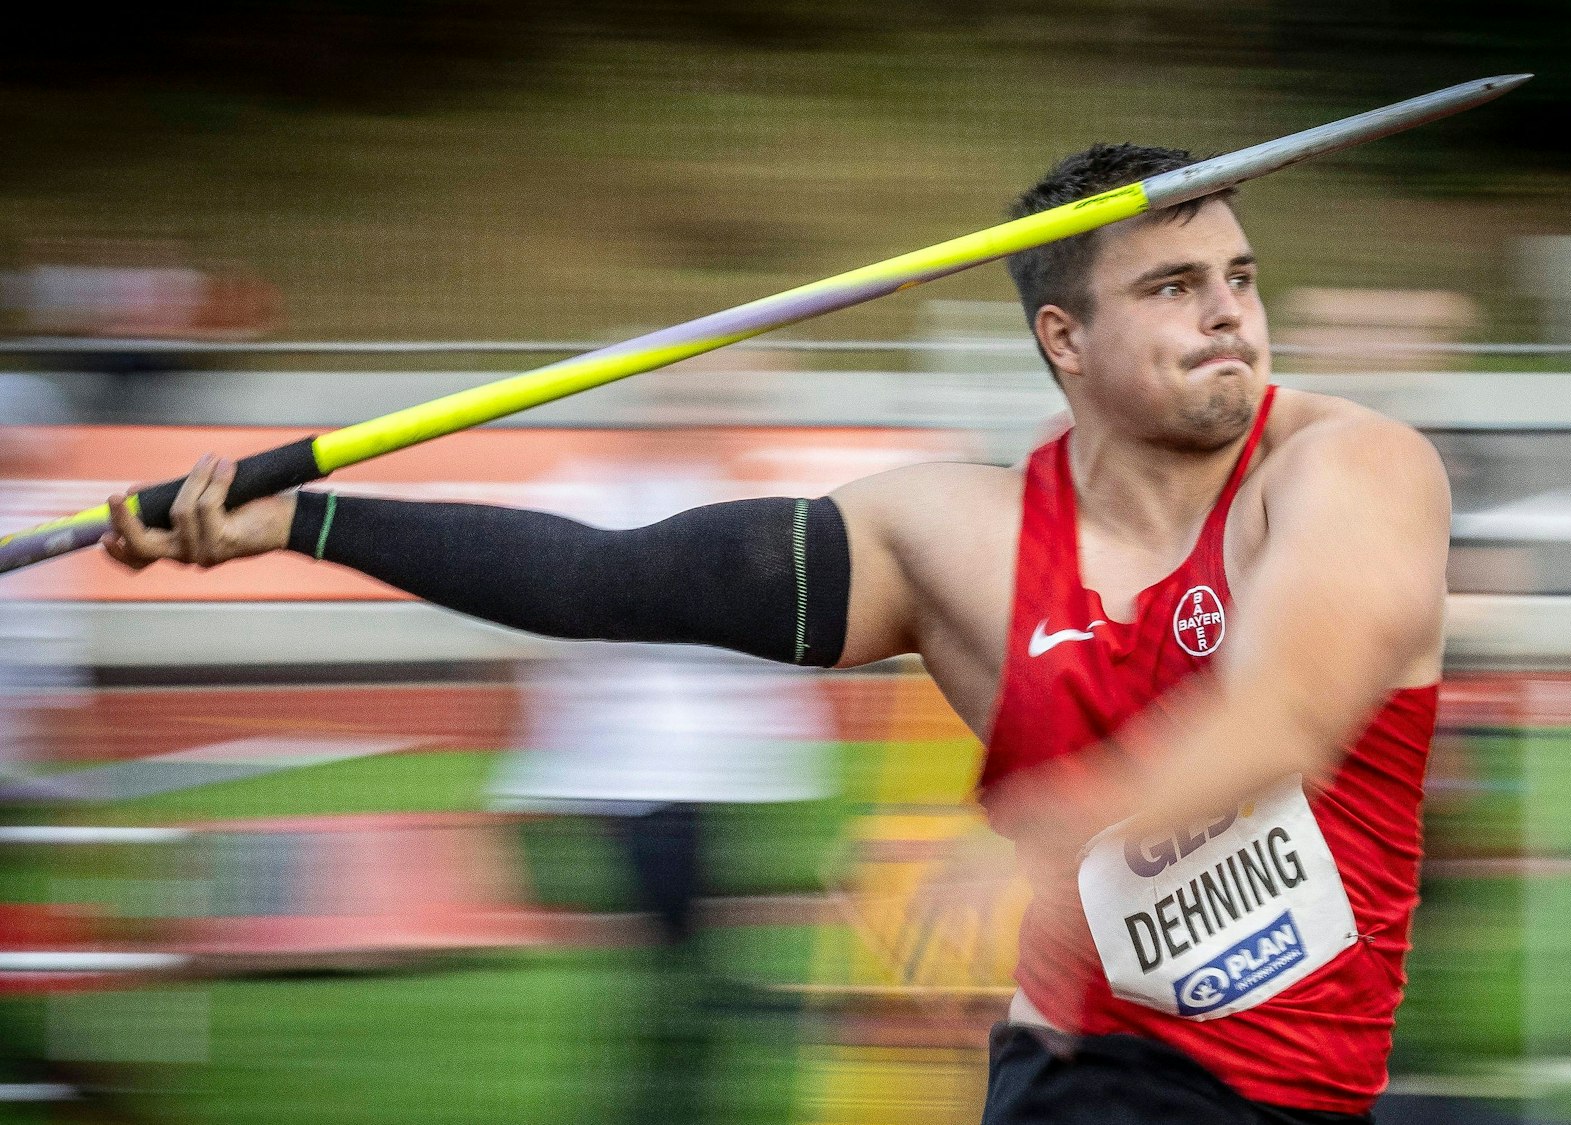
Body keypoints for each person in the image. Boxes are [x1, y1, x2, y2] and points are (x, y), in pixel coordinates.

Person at [100, 143, 1449, 1124]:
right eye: (1170, 286)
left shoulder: (1350, 471)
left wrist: (1044, 841)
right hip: (1077, 1072)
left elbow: (1282, 711)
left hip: (1298, 1090)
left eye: (1241, 276)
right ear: (1065, 339)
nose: (1227, 311)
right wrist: (300, 525)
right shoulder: (957, 536)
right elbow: (610, 582)